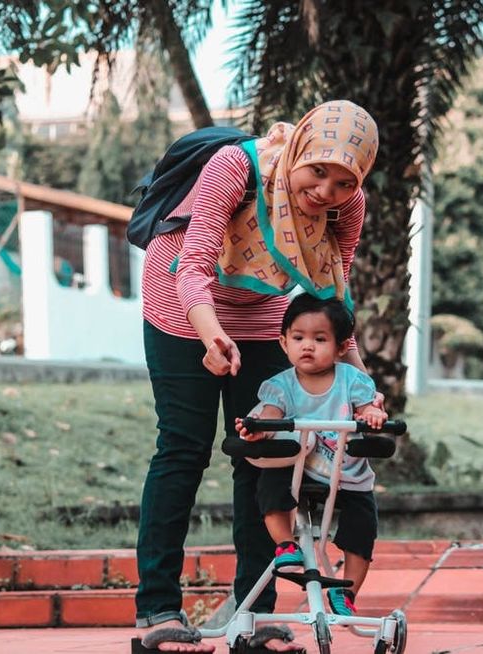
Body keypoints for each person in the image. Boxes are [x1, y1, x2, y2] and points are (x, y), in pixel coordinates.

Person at [135, 100, 381, 653]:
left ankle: (254, 615)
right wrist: (209, 334)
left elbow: (333, 296)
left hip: (263, 312)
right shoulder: (234, 166)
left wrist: (362, 381)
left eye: (344, 182)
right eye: (318, 171)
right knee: (183, 449)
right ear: (299, 152)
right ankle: (157, 610)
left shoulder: (350, 206)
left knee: (267, 451)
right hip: (180, 305)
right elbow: (192, 266)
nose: (326, 192)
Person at [235, 294, 385, 618]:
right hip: (298, 471)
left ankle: (347, 593)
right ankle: (286, 544)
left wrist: (372, 413)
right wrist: (259, 429)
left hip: (347, 475)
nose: (308, 346)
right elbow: (272, 415)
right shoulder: (279, 385)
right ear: (283, 341)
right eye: (299, 338)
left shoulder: (353, 380)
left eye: (320, 339)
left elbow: (367, 406)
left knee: (362, 529)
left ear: (342, 347)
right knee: (269, 483)